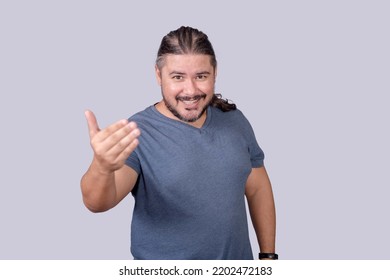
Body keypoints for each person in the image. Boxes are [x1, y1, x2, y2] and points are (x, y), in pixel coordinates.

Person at [81, 26, 277, 260]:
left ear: (215, 73)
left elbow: (257, 188)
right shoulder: (136, 132)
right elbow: (98, 203)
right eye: (177, 77)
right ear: (158, 75)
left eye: (201, 76)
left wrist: (268, 256)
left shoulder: (235, 121)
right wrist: (101, 166)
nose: (191, 90)